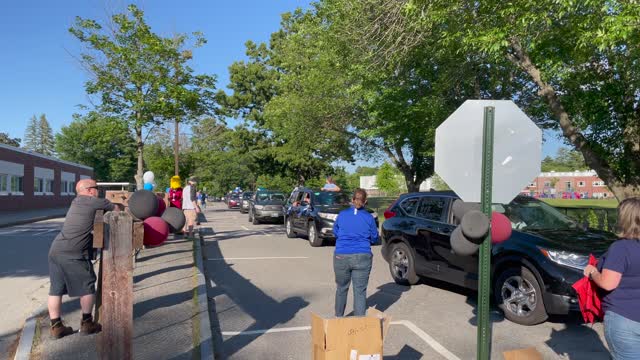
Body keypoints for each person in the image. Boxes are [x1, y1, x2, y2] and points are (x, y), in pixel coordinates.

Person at [47, 179, 118, 339]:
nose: (98, 190)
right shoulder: (93, 202)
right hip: (73, 252)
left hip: (56, 250)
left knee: (56, 289)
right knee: (87, 285)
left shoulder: (76, 201)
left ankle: (56, 327)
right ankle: (87, 323)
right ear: (90, 190)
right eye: (96, 188)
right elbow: (116, 209)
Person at [583, 197, 640, 360]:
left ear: (624, 219)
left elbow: (608, 284)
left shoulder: (621, 248)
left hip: (624, 318)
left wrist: (593, 272)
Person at [332, 188, 378, 317]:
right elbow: (374, 237)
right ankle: (358, 326)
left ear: (352, 200)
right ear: (365, 201)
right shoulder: (369, 217)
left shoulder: (342, 215)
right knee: (360, 291)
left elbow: (335, 231)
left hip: (342, 255)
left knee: (341, 288)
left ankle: (338, 319)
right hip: (363, 255)